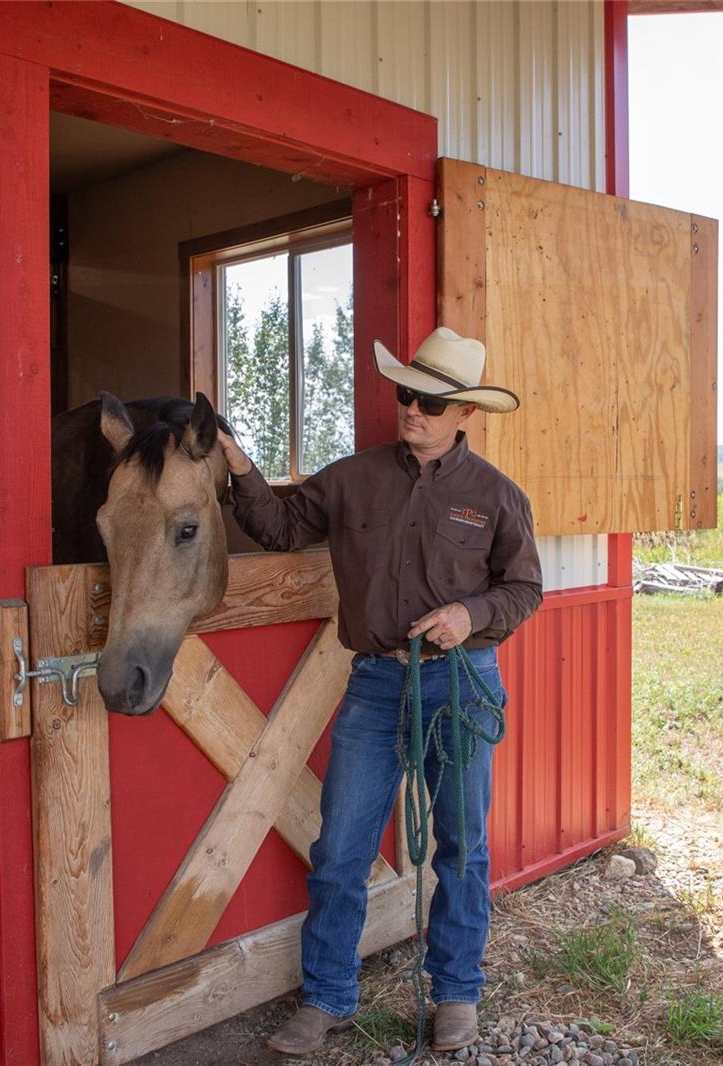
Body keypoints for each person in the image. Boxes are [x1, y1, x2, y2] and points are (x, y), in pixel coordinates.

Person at [215, 325, 543, 1056]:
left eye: (430, 400)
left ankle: (456, 995)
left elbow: (524, 589)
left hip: (460, 685)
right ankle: (327, 997)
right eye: (405, 394)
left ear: (466, 414)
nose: (412, 410)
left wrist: (471, 614)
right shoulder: (352, 477)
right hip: (374, 684)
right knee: (340, 850)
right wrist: (240, 464)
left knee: (461, 848)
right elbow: (278, 525)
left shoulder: (497, 498)